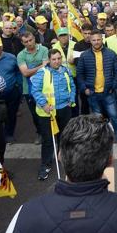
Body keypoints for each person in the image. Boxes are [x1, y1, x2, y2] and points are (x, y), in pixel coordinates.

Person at [76, 30, 117, 151]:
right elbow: (79, 74)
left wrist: (113, 86)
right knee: (98, 120)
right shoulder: (84, 56)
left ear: (102, 40)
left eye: (98, 39)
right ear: (90, 40)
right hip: (92, 93)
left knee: (115, 117)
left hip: (108, 93)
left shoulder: (111, 54)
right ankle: (101, 142)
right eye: (94, 40)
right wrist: (84, 89)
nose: (96, 42)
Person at [30, 49, 77, 181]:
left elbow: (72, 86)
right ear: (49, 60)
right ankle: (45, 165)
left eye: (58, 58)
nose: (57, 61)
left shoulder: (66, 70)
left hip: (64, 109)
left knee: (64, 136)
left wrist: (71, 100)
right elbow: (35, 90)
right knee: (48, 140)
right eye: (54, 59)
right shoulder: (42, 73)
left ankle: (64, 158)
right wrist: (44, 104)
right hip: (47, 112)